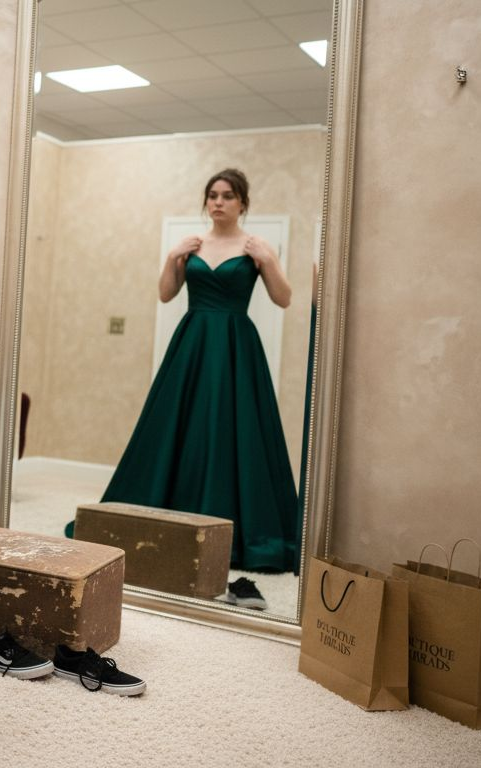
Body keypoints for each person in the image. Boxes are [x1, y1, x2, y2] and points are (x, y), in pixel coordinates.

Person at [82, 169, 302, 585]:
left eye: (228, 196)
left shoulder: (256, 247)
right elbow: (166, 294)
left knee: (236, 430)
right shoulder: (193, 246)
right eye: (212, 196)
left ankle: (239, 536)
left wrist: (269, 261)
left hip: (237, 346)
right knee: (177, 428)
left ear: (242, 203)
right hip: (192, 342)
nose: (218, 202)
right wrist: (172, 258)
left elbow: (284, 298)